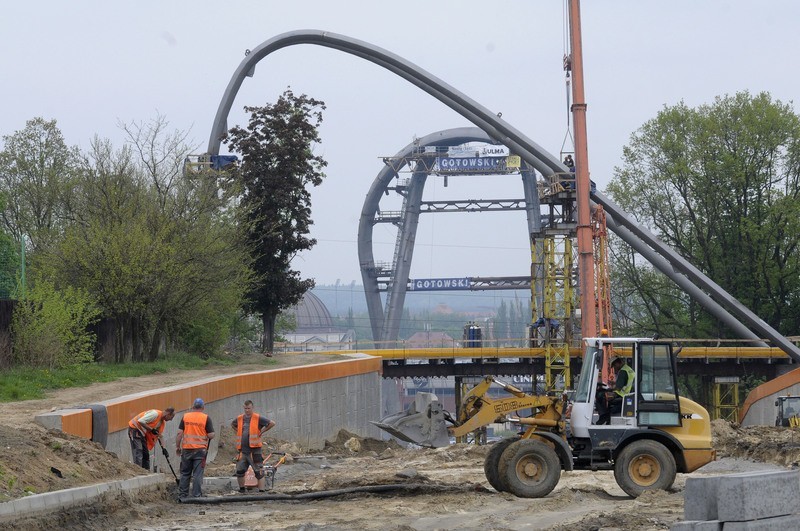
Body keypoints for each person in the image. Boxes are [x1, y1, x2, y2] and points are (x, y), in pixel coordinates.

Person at [231, 400, 276, 493]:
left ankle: (261, 491)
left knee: (259, 471)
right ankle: (242, 490)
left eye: (249, 408)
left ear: (252, 408)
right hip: (243, 451)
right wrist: (239, 431)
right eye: (245, 408)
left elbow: (272, 423)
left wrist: (262, 431)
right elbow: (233, 424)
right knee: (240, 471)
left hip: (255, 450)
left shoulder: (257, 418)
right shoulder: (240, 418)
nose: (247, 410)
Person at [176, 398, 215, 499]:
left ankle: (183, 495)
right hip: (200, 450)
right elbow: (211, 435)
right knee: (197, 474)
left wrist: (177, 447)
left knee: (185, 473)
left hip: (186, 450)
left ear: (193, 407)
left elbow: (179, 434)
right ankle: (196, 495)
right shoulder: (206, 418)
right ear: (203, 407)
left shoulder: (185, 417)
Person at [597, 357, 635, 424]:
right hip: (628, 394)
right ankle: (607, 417)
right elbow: (626, 383)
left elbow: (618, 388)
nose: (614, 368)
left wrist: (608, 389)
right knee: (607, 397)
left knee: (600, 395)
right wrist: (614, 383)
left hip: (622, 395)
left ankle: (604, 416)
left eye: (614, 365)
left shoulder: (623, 371)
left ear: (618, 363)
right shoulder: (628, 369)